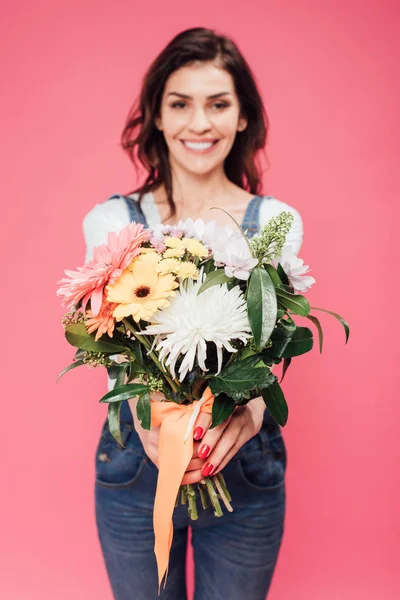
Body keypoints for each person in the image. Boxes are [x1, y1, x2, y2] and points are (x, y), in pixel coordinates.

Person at [83, 27, 303, 600]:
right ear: (157, 115)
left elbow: (270, 339)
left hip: (243, 459)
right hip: (138, 462)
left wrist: (251, 406)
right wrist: (147, 412)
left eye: (218, 104)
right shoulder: (113, 223)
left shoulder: (275, 220)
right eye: (180, 104)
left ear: (242, 118)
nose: (199, 124)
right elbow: (109, 335)